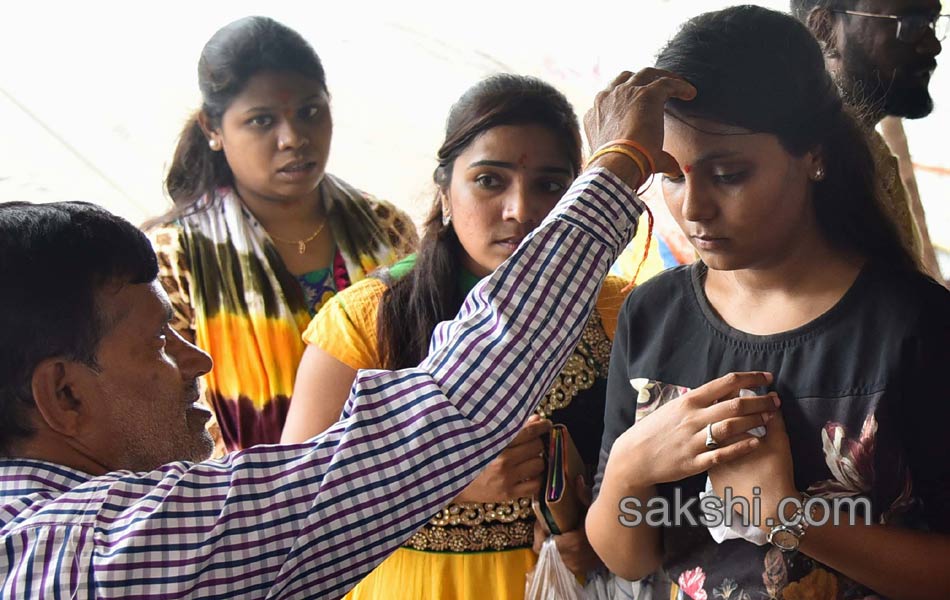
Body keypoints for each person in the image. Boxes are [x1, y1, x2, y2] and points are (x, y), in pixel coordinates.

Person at [0, 68, 693, 599]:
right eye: (158, 342)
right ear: (62, 396)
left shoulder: (626, 310)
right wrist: (620, 163)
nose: (199, 358)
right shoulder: (97, 553)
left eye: (551, 183)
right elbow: (434, 418)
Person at [586, 6, 950, 600]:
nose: (694, 207)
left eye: (728, 174)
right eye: (671, 176)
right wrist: (629, 469)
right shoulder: (652, 315)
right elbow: (628, 556)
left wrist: (788, 516)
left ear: (813, 155)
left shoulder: (914, 327)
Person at [281, 74, 626, 599]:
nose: (522, 211)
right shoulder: (369, 317)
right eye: (490, 180)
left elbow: (658, 483)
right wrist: (450, 484)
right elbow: (293, 505)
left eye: (551, 186)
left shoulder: (616, 310)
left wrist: (598, 533)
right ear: (444, 193)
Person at [145, 16, 417, 453]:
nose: (293, 139)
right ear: (212, 129)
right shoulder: (174, 260)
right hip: (249, 510)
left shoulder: (386, 227)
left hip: (399, 498)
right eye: (261, 121)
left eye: (310, 112)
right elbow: (163, 420)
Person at [792, 0, 946, 283]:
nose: (933, 45)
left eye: (932, 22)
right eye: (909, 23)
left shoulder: (869, 147)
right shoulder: (798, 167)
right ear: (824, 30)